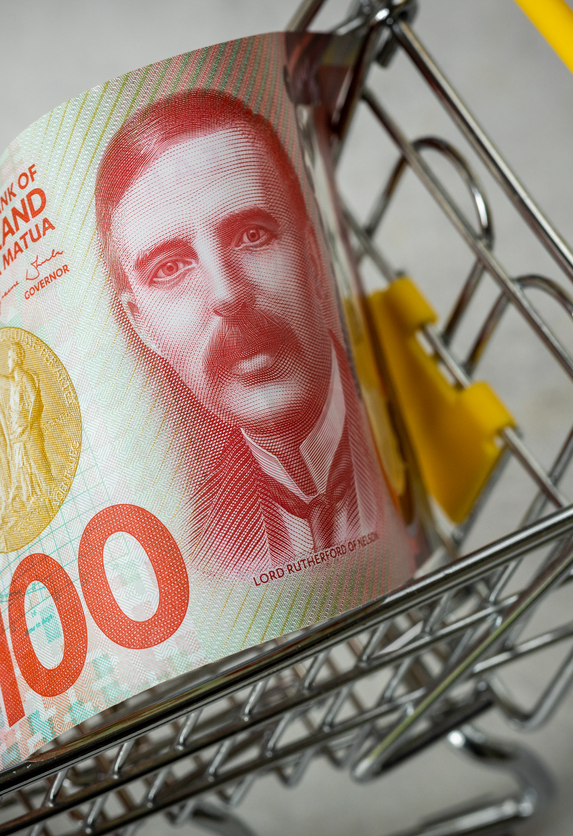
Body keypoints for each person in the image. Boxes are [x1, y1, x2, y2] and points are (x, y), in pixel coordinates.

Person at [94, 89, 385, 575]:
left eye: (252, 235)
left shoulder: (393, 425)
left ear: (313, 258)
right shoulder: (204, 541)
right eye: (171, 267)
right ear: (143, 327)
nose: (228, 294)